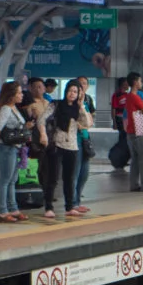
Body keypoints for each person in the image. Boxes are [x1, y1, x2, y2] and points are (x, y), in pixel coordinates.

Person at [49, 82, 93, 219]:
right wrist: (44, 135)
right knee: (54, 177)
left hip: (74, 145)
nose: (73, 94)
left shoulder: (79, 107)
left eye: (76, 91)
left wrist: (81, 107)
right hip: (57, 144)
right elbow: (42, 120)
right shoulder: (57, 105)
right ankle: (49, 206)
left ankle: (71, 205)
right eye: (71, 90)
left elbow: (87, 124)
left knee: (73, 177)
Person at [0, 82, 28, 223]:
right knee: (5, 180)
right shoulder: (5, 109)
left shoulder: (14, 108)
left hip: (15, 148)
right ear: (10, 95)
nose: (21, 95)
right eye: (18, 93)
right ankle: (3, 211)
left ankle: (13, 208)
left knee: (12, 180)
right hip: (5, 148)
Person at [124, 72, 143, 192]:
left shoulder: (128, 96)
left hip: (132, 128)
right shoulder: (135, 97)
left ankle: (134, 184)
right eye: (140, 81)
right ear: (135, 82)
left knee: (136, 158)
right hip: (139, 126)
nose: (141, 83)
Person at [73, 75, 95, 212]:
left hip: (85, 140)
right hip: (75, 141)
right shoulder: (70, 105)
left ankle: (77, 200)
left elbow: (89, 122)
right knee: (75, 172)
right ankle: (73, 202)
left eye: (84, 85)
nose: (81, 89)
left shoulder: (85, 103)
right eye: (78, 86)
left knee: (84, 173)